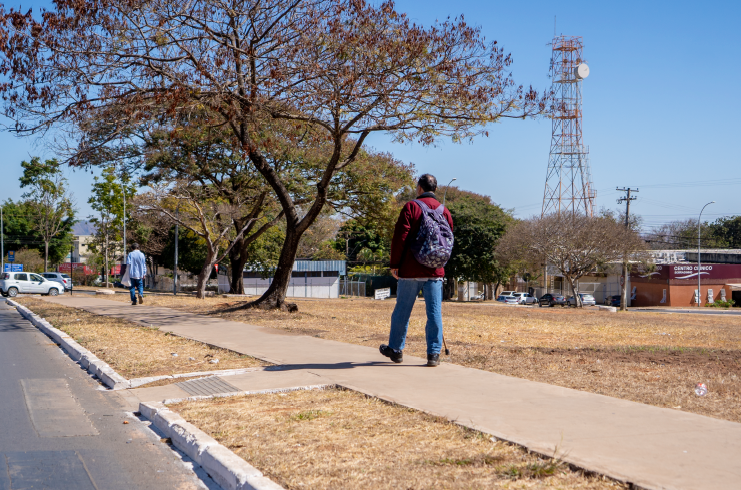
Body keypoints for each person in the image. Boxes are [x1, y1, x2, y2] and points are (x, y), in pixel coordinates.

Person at [380, 174, 454, 367]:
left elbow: (400, 237)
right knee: (434, 313)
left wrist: (395, 264)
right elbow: (449, 239)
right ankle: (433, 354)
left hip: (411, 271)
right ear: (435, 189)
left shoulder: (411, 207)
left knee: (402, 312)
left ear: (419, 188)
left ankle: (395, 350)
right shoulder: (444, 211)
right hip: (435, 272)